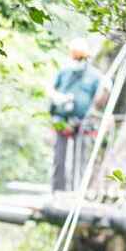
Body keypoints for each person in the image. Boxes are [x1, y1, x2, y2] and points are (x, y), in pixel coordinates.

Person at [49, 38, 105, 191]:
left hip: (83, 122)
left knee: (80, 159)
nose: (78, 60)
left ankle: (77, 191)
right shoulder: (64, 72)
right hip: (61, 120)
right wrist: (58, 98)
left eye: (80, 57)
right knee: (59, 159)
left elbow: (99, 100)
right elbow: (52, 91)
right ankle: (57, 191)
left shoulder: (95, 76)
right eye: (75, 57)